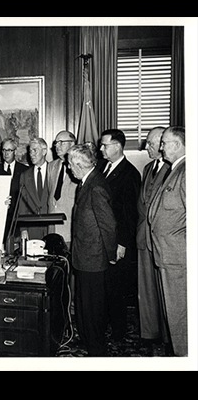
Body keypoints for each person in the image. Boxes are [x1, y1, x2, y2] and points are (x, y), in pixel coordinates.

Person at [69, 144, 117, 356]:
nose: (69, 168)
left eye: (70, 164)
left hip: (94, 258)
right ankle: (88, 340)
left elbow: (108, 225)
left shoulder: (96, 186)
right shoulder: (86, 182)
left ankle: (97, 351)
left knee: (93, 308)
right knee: (84, 305)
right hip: (84, 256)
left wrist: (110, 255)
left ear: (79, 165)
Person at [148, 126, 186, 356]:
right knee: (173, 316)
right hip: (168, 256)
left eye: (165, 142)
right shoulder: (176, 169)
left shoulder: (187, 171)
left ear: (178, 144)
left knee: (181, 317)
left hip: (179, 257)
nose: (161, 147)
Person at [99, 129, 141, 342]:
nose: (101, 149)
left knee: (116, 288)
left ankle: (118, 333)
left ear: (117, 146)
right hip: (104, 238)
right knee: (106, 286)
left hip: (118, 241)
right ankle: (108, 325)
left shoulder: (130, 173)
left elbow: (130, 214)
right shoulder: (103, 167)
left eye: (105, 145)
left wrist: (123, 243)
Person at [136, 127, 170, 348]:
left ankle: (168, 337)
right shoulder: (148, 168)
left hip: (163, 240)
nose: (146, 147)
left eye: (149, 143)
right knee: (145, 290)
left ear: (161, 144)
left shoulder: (173, 168)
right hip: (143, 236)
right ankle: (150, 334)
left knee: (165, 292)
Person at [47, 130, 78, 248]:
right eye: (56, 143)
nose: (57, 146)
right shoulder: (51, 166)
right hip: (52, 228)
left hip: (70, 227)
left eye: (61, 142)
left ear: (72, 144)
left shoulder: (79, 166)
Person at [0, 138, 28, 240]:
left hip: (18, 221)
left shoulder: (25, 171)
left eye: (9, 150)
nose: (6, 153)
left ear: (15, 151)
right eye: (4, 150)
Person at [18, 138, 49, 240]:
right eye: (30, 151)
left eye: (35, 150)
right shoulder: (25, 175)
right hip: (32, 229)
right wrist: (23, 229)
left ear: (44, 151)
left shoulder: (54, 171)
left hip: (52, 226)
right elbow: (22, 204)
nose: (31, 154)